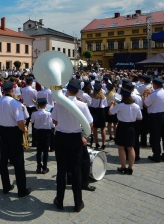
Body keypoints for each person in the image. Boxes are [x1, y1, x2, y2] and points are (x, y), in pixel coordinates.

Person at [51, 79, 93, 212]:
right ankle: (78, 203)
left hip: (61, 137)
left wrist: (64, 124)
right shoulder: (82, 105)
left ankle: (59, 201)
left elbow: (54, 121)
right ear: (77, 91)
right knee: (76, 171)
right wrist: (81, 134)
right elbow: (89, 124)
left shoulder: (58, 104)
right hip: (76, 138)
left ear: (67, 90)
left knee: (61, 170)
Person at [0, 81, 31, 198]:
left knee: (4, 161)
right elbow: (20, 121)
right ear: (12, 90)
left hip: (3, 131)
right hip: (14, 132)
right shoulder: (15, 103)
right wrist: (24, 129)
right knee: (18, 162)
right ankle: (22, 190)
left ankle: (6, 186)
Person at [109, 89, 142, 174]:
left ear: (123, 96)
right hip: (131, 126)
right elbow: (140, 118)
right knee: (130, 148)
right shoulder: (136, 106)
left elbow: (110, 112)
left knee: (121, 147)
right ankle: (130, 167)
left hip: (122, 126)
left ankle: (123, 166)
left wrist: (112, 104)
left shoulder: (121, 105)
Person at [144, 78, 164, 163]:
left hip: (156, 116)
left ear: (155, 85)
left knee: (155, 136)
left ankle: (156, 155)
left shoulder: (154, 95)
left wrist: (145, 96)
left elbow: (145, 104)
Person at [31, 97, 53, 174]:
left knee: (39, 150)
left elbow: (32, 121)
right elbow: (52, 125)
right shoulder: (49, 114)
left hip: (38, 132)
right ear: (45, 105)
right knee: (46, 151)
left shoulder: (34, 113)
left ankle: (38, 167)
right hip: (46, 132)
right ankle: (45, 167)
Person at [88, 82, 107, 149]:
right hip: (101, 112)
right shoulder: (103, 97)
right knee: (103, 128)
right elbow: (106, 105)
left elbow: (90, 104)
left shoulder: (92, 97)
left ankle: (96, 143)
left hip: (94, 111)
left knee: (95, 128)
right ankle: (104, 143)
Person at [21, 77, 38, 146]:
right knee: (34, 125)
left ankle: (26, 140)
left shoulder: (22, 89)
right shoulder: (34, 91)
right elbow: (36, 99)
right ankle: (34, 141)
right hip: (33, 107)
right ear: (31, 83)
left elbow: (21, 98)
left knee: (25, 124)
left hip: (25, 107)